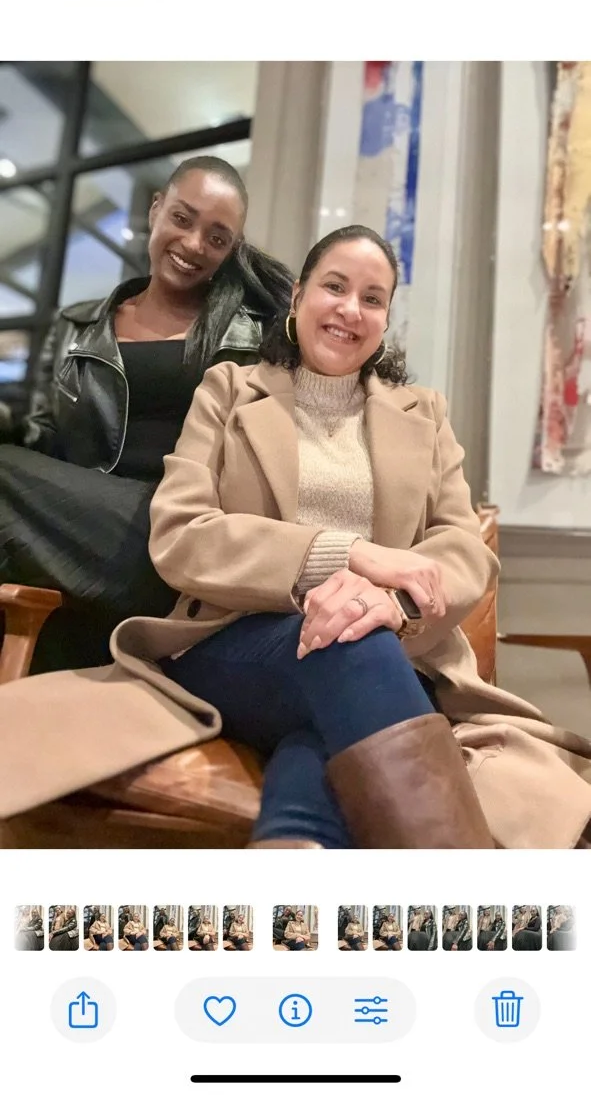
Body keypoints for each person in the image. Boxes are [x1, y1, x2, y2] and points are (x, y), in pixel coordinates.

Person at [3, 225, 591, 850]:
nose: (349, 309)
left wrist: (390, 603)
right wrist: (348, 555)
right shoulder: (228, 391)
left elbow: (462, 545)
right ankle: (466, 915)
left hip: (388, 651)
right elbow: (182, 533)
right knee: (349, 650)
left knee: (326, 720)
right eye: (334, 287)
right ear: (298, 298)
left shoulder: (425, 413)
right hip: (233, 646)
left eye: (372, 298)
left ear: (386, 319)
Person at [0, 154, 293, 671]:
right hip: (80, 528)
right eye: (183, 218)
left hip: (177, 535)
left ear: (231, 251)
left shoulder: (252, 335)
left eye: (217, 237)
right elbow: (49, 440)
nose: (194, 244)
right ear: (156, 210)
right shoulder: (78, 324)